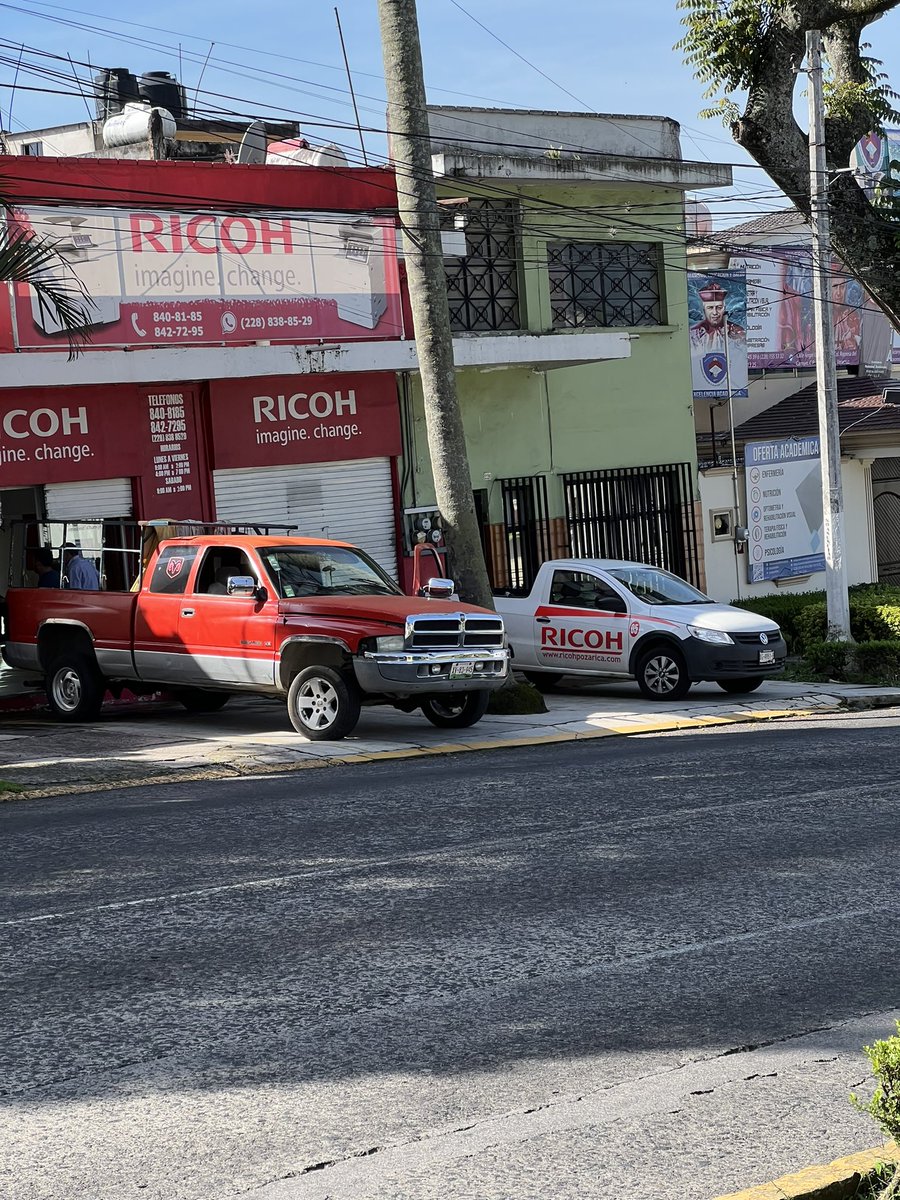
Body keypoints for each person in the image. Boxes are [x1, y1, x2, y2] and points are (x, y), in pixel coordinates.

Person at [689, 281, 746, 351]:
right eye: (710, 308)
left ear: (724, 309)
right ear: (704, 310)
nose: (715, 312)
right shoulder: (693, 334)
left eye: (719, 308)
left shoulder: (737, 331)